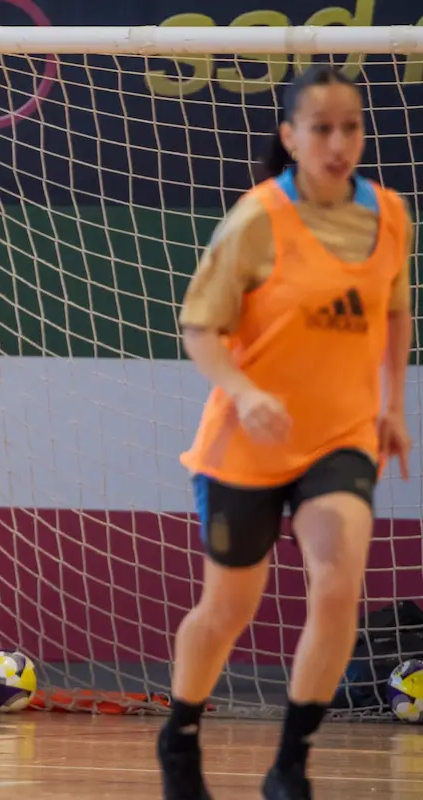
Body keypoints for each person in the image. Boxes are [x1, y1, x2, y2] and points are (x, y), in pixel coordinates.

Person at [158, 64, 414, 800]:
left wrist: (391, 404)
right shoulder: (257, 219)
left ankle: (290, 765)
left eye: (351, 127)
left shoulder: (390, 215)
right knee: (227, 611)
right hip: (247, 444)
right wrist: (243, 390)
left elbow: (395, 313)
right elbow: (199, 327)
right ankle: (179, 734)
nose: (339, 142)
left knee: (338, 588)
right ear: (291, 137)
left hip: (341, 436)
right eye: (322, 128)